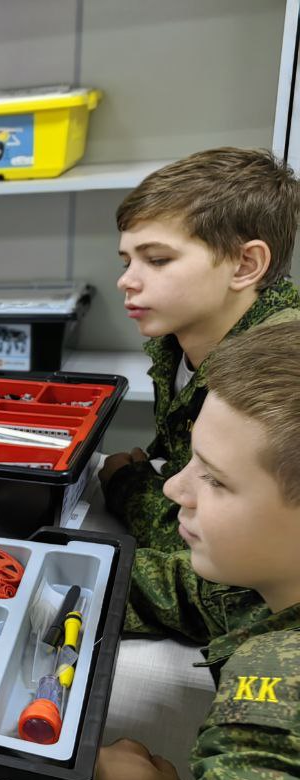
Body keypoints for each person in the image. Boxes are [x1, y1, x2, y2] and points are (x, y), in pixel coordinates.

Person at [52, 322, 300, 780]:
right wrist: (46, 584)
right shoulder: (274, 583)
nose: (173, 488)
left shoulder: (281, 689)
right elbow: (202, 595)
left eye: (214, 479)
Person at [100, 147, 300, 551]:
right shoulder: (180, 339)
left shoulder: (279, 376)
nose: (126, 281)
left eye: (157, 259)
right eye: (127, 262)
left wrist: (130, 489)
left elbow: (232, 566)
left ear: (245, 265)